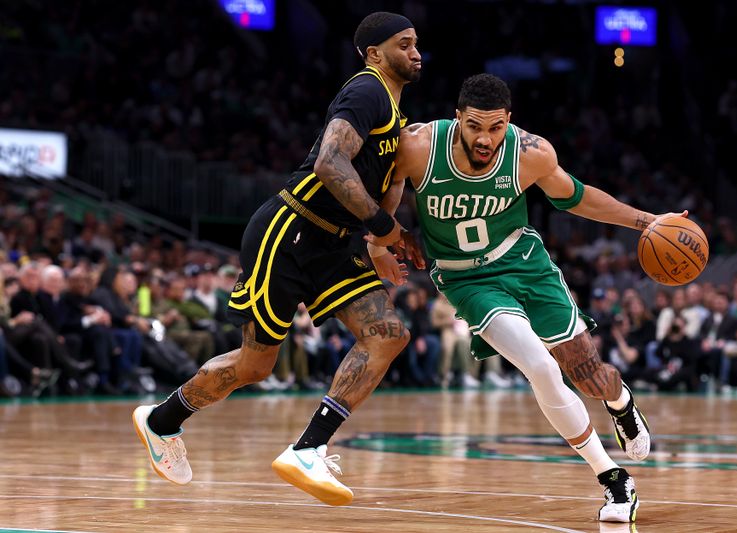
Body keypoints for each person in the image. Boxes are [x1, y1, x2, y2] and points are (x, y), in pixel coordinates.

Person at [132, 11, 424, 507]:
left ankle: (309, 447)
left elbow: (379, 183)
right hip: (291, 229)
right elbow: (330, 164)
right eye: (405, 43)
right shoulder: (367, 89)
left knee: (389, 335)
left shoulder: (394, 109)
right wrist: (383, 229)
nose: (416, 52)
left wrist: (377, 245)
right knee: (254, 365)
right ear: (375, 52)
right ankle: (161, 421)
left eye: (418, 43)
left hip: (337, 243)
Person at [376, 74, 686, 522]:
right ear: (457, 117)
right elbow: (390, 188)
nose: (485, 139)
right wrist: (379, 242)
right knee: (540, 367)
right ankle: (614, 480)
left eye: (496, 128)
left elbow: (576, 197)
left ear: (509, 122)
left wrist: (646, 221)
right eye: (475, 127)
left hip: (525, 263)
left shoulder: (530, 154)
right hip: (467, 280)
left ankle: (620, 403)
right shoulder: (419, 145)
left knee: (589, 376)